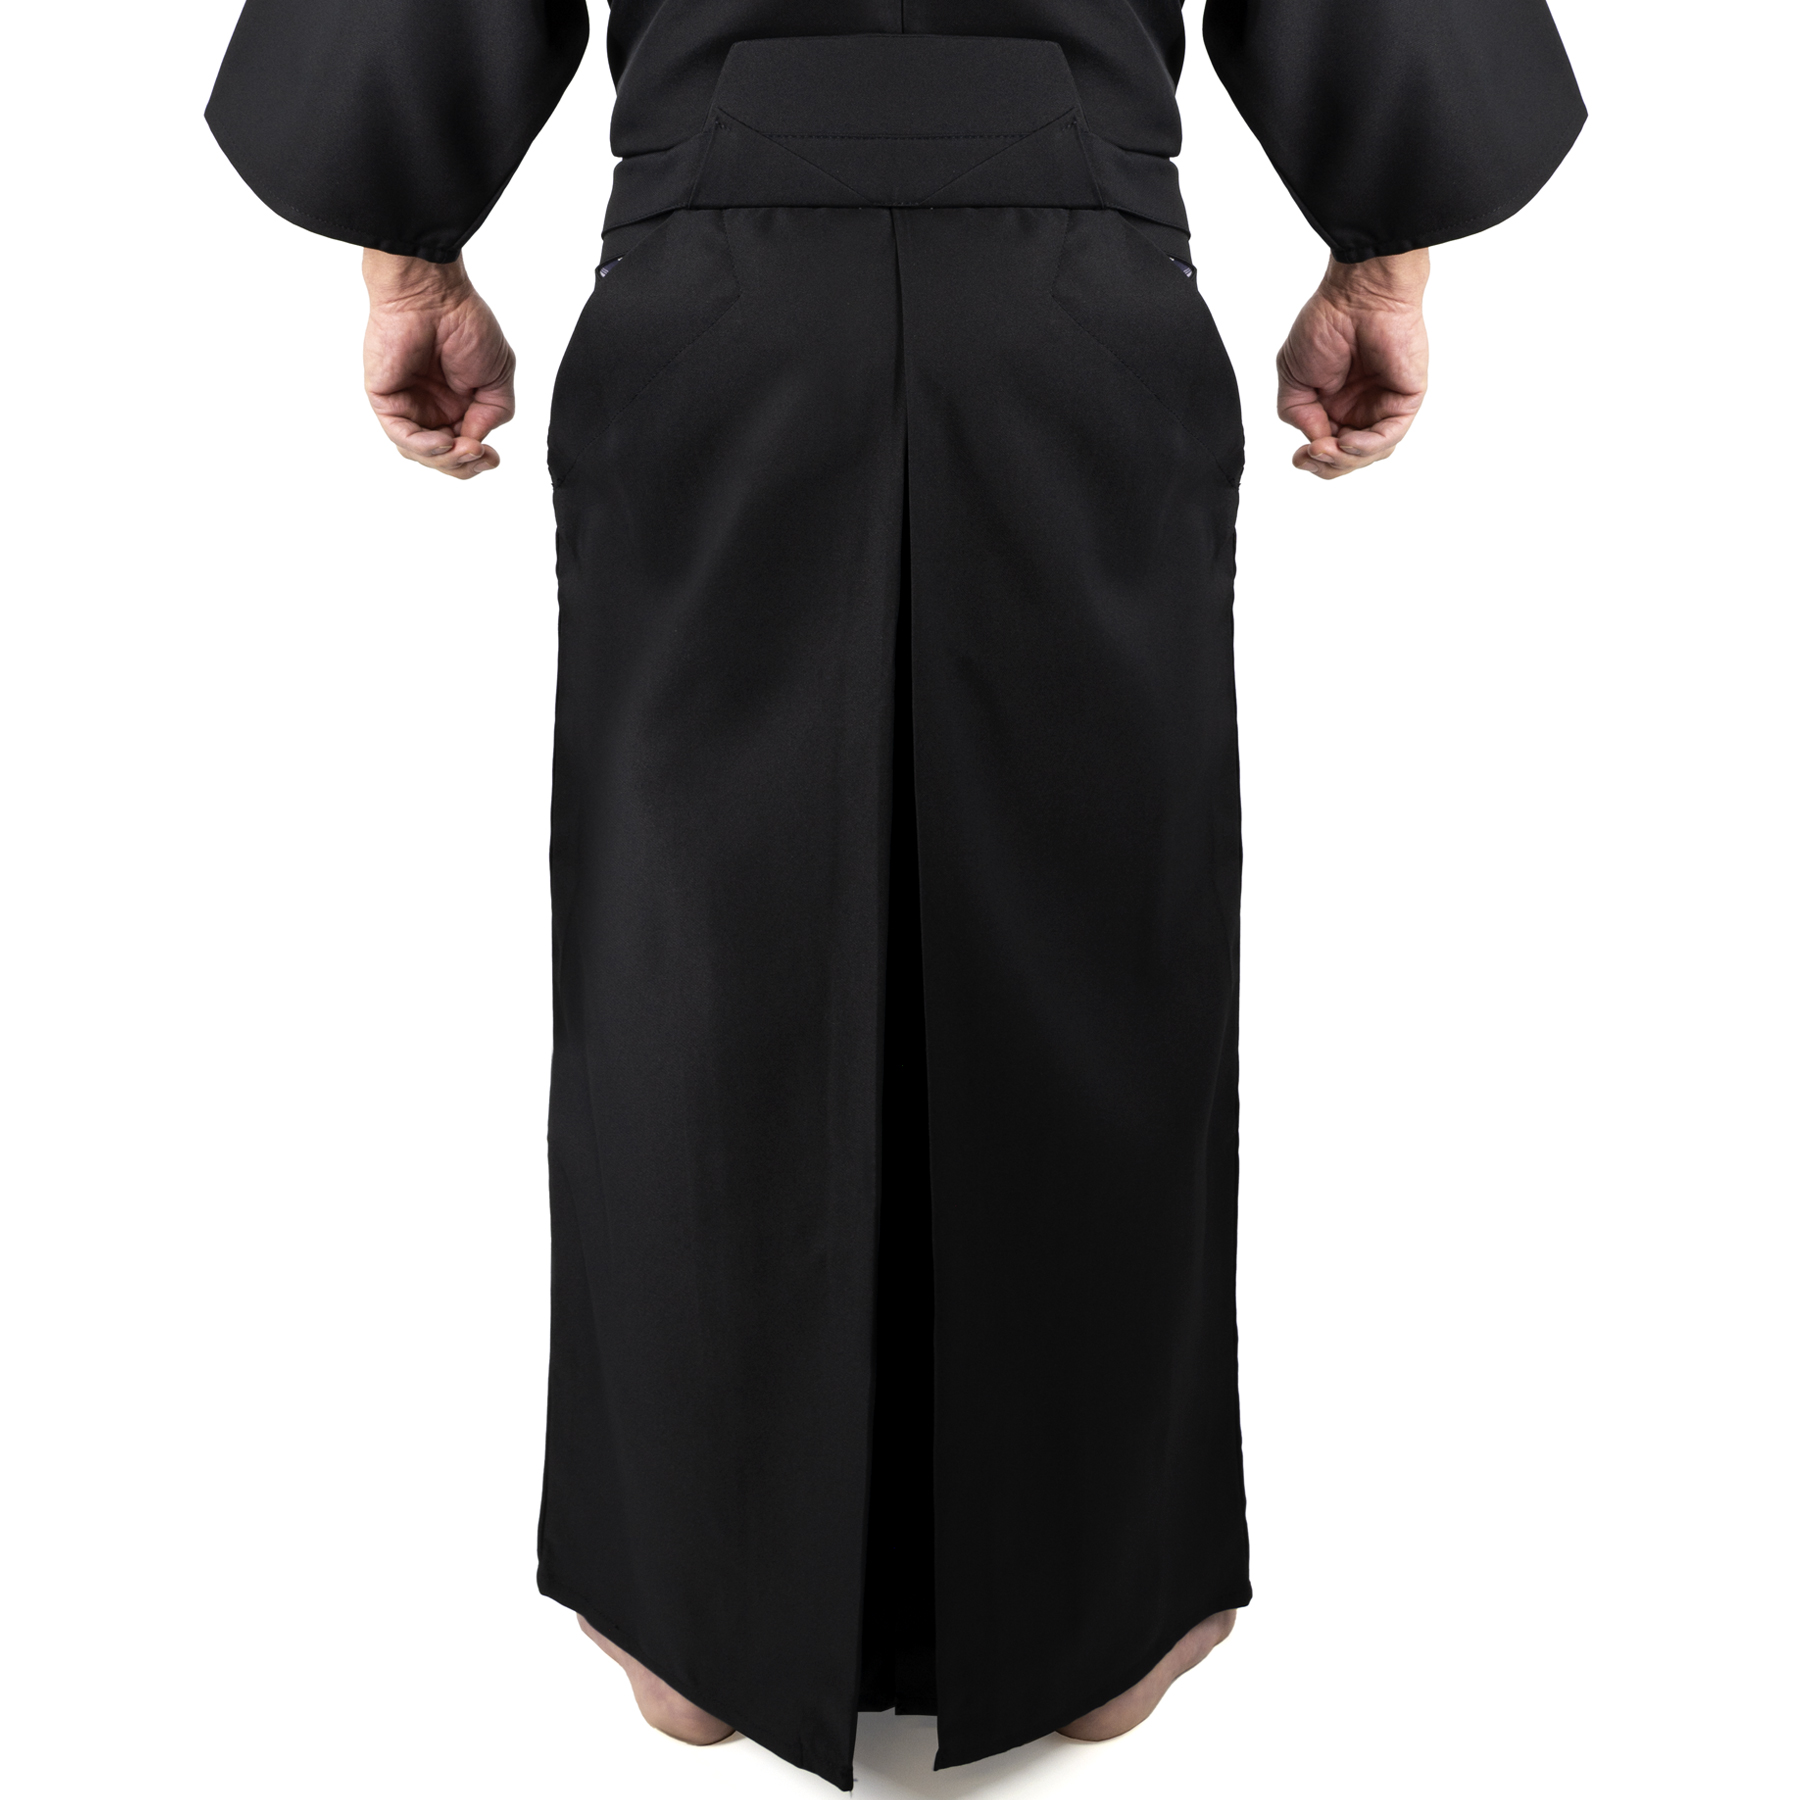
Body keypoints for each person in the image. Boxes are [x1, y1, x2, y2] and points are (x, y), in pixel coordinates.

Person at [207, 2, 1583, 1787]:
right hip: (1069, 308)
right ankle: (1093, 1612)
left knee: (693, 947)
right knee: (1093, 938)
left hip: (721, 308)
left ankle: (700, 1609)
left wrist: (411, 256)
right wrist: (1381, 255)